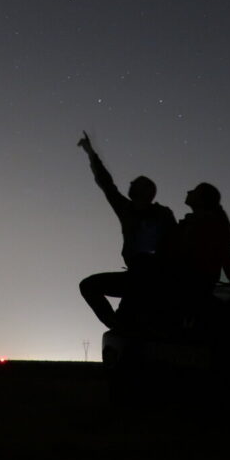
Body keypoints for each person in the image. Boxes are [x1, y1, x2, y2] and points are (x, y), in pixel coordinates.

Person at [77, 131, 176, 330]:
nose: (130, 183)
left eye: (135, 182)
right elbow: (106, 183)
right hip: (136, 274)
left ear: (146, 191)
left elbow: (176, 243)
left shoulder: (163, 214)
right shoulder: (126, 209)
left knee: (139, 324)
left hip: (156, 276)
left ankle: (123, 327)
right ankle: (116, 325)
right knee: (89, 286)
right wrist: (90, 153)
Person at [168, 182, 230, 318]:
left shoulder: (210, 224)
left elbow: (223, 257)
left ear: (202, 199)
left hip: (192, 285)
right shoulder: (196, 222)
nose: (188, 191)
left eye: (194, 191)